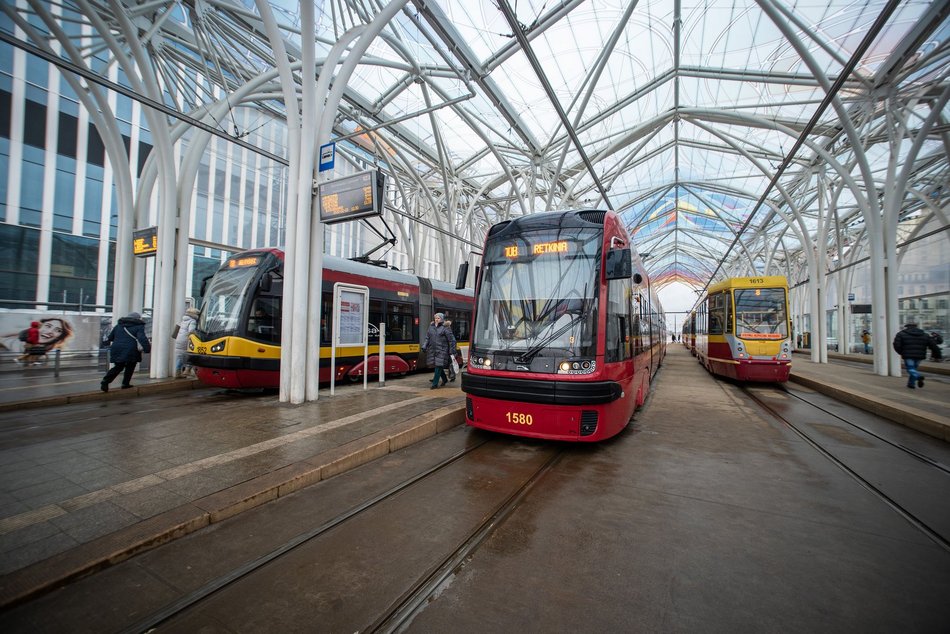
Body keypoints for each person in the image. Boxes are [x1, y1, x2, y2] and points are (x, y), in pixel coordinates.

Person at [101, 311, 151, 392]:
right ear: (137, 319)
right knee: (130, 366)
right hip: (131, 348)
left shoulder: (118, 326)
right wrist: (147, 348)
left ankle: (105, 381)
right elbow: (142, 338)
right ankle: (125, 383)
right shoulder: (138, 326)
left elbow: (110, 337)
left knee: (118, 366)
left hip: (117, 348)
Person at [892, 321, 940, 389]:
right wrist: (938, 355)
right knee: (914, 368)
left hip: (908, 354)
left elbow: (896, 345)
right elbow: (933, 345)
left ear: (907, 327)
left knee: (910, 369)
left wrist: (901, 352)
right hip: (920, 355)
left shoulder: (901, 334)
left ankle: (918, 377)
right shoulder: (925, 334)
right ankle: (911, 384)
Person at [421, 312, 456, 389]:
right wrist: (424, 346)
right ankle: (445, 379)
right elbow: (427, 338)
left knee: (438, 366)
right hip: (433, 350)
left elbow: (452, 340)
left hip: (442, 350)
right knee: (437, 366)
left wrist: (452, 351)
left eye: (438, 318)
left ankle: (434, 384)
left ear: (442, 319)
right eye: (435, 318)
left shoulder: (446, 328)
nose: (436, 319)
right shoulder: (431, 327)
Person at [174, 307, 200, 378]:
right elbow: (191, 331)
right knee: (192, 355)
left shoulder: (183, 320)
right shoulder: (192, 321)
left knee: (179, 356)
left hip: (179, 339)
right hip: (186, 340)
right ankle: (187, 370)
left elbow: (176, 331)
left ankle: (177, 372)